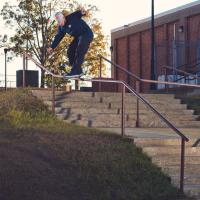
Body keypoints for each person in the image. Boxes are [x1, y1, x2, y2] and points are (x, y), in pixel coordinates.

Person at [48, 8, 94, 78]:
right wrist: (52, 47)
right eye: (60, 23)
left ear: (64, 17)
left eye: (62, 22)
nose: (62, 24)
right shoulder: (61, 28)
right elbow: (58, 37)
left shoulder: (72, 17)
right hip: (78, 37)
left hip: (86, 34)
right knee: (70, 51)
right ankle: (77, 71)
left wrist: (83, 12)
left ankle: (75, 71)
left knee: (80, 50)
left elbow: (80, 13)